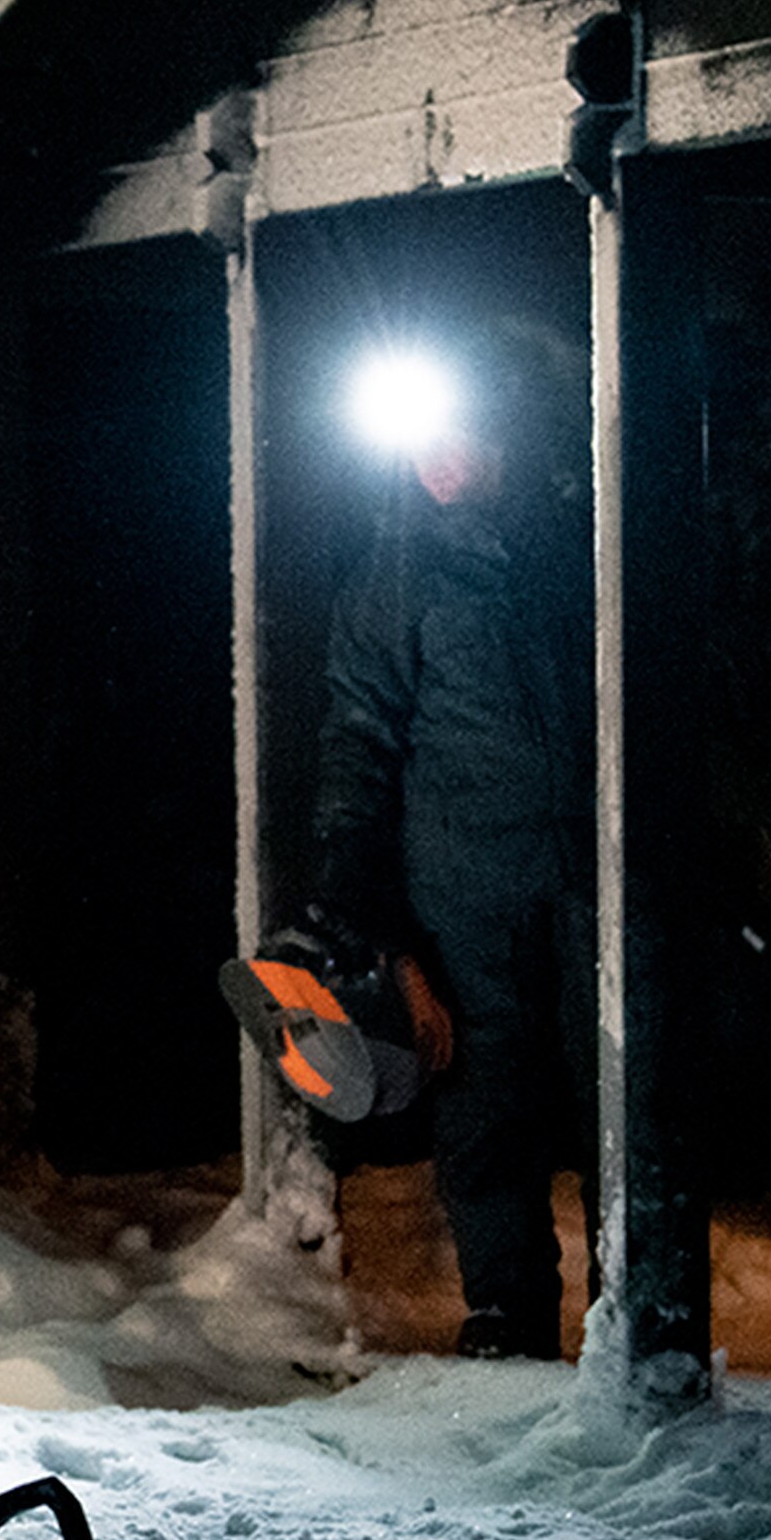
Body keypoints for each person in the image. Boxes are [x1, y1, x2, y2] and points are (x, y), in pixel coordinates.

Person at [306, 339, 595, 1358]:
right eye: (419, 442)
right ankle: (505, 1317)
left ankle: (634, 1319)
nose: (435, 459)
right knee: (483, 1110)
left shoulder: (577, 548)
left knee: (616, 1099)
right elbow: (359, 730)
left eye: (454, 438)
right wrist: (353, 879)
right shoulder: (395, 572)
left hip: (589, 879)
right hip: (463, 889)